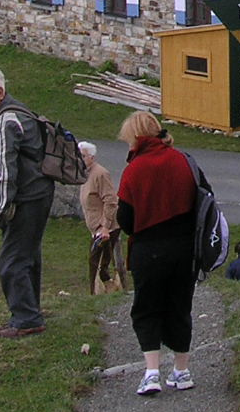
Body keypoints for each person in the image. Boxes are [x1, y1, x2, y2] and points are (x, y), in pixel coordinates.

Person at [116, 110, 200, 395]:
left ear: (136, 138)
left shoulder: (135, 169)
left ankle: (152, 372)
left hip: (148, 248)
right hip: (184, 247)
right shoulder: (183, 161)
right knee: (180, 306)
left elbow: (125, 219)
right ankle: (182, 370)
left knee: (147, 308)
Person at [0, 67, 54, 338]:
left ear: (0, 92)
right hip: (40, 193)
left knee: (12, 261)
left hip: (25, 198)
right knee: (28, 255)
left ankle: (26, 319)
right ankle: (30, 311)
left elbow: (6, 173)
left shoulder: (4, 122)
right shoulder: (20, 111)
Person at [80, 141, 124, 295]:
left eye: (83, 156)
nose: (81, 159)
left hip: (106, 227)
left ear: (92, 157)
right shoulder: (85, 174)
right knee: (96, 263)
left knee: (99, 264)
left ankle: (104, 293)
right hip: (96, 227)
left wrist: (105, 226)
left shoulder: (100, 173)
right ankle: (101, 292)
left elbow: (111, 201)